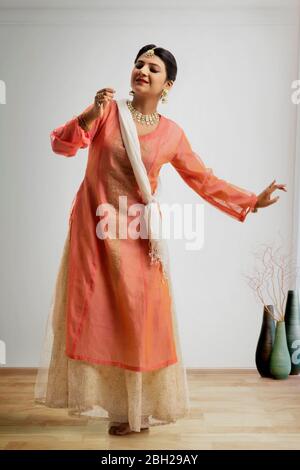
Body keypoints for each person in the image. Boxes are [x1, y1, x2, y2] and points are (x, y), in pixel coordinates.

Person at [34, 44, 287, 437]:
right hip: (96, 234)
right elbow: (61, 144)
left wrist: (252, 200)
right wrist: (88, 113)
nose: (142, 71)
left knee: (142, 322)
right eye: (138, 64)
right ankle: (121, 410)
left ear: (167, 84)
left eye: (153, 68)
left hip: (138, 235)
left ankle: (140, 409)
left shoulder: (171, 133)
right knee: (99, 318)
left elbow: (203, 180)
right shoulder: (107, 112)